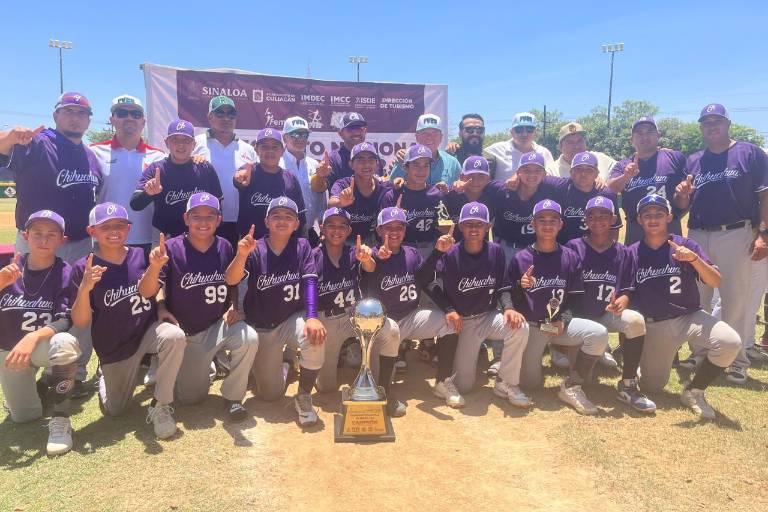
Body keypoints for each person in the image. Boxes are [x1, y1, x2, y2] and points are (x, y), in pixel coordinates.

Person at [138, 193, 259, 422]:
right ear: (186, 218)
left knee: (249, 338)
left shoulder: (224, 246)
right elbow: (147, 291)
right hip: (187, 334)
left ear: (218, 220)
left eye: (209, 216)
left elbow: (231, 281)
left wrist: (233, 304)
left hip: (216, 326)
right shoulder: (172, 248)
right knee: (191, 398)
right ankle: (203, 366)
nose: (203, 222)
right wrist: (154, 272)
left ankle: (233, 398)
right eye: (196, 216)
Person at [70, 203, 187, 438]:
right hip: (115, 347)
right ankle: (105, 374)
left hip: (146, 333)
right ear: (92, 231)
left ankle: (161, 405)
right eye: (106, 227)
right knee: (116, 411)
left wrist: (154, 271)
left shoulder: (139, 255)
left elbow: (148, 292)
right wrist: (84, 289)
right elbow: (81, 322)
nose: (114, 231)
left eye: (120, 226)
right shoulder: (84, 267)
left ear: (129, 228)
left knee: (174, 336)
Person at [673, 103, 768, 385]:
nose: (711, 126)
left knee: (734, 298)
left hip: (736, 231)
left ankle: (737, 360)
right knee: (697, 298)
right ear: (701, 127)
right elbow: (682, 204)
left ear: (728, 124)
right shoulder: (693, 160)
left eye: (717, 121)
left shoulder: (749, 153)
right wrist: (681, 196)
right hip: (698, 233)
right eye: (706, 122)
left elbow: (765, 197)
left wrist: (763, 232)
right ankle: (700, 352)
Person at [629, 194, 741, 419]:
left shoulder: (686, 244)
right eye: (647, 215)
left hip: (690, 317)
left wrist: (694, 260)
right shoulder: (631, 252)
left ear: (669, 217)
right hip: (656, 325)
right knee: (652, 388)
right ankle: (646, 365)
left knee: (730, 342)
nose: (653, 219)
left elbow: (715, 281)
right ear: (639, 220)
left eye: (659, 214)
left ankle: (694, 391)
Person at [224, 197, 326, 427]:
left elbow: (310, 282)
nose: (282, 221)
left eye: (288, 217)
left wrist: (311, 316)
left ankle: (303, 395)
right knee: (270, 395)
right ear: (267, 221)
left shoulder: (301, 246)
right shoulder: (253, 248)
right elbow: (231, 279)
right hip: (261, 326)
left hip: (289, 319)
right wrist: (241, 255)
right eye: (276, 216)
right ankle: (284, 364)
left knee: (316, 336)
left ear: (296, 222)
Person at [509, 199, 610, 415]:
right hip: (535, 327)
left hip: (558, 326)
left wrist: (563, 320)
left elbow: (575, 298)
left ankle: (571, 386)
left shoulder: (570, 257)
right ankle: (512, 364)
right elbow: (510, 298)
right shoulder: (521, 258)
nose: (547, 225)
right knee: (530, 384)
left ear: (561, 224)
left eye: (553, 220)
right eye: (542, 220)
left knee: (599, 334)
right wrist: (520, 285)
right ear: (533, 224)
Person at [431, 202, 531, 407]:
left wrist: (509, 307)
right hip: (463, 323)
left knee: (520, 327)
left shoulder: (495, 252)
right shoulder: (451, 254)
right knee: (464, 385)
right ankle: (467, 363)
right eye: (468, 224)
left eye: (479, 224)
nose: (474, 229)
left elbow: (503, 286)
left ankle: (506, 382)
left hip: (487, 316)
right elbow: (431, 284)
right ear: (460, 227)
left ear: (488, 227)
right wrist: (448, 310)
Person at [0, 210, 81, 455]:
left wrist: (32, 337)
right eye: (37, 233)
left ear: (62, 240)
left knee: (65, 342)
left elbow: (64, 320)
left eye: (51, 234)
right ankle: (44, 388)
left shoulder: (64, 272)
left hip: (41, 347)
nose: (43, 240)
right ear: (26, 236)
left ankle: (60, 418)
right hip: (9, 350)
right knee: (25, 416)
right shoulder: (6, 264)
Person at [565, 196, 655, 413]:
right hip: (579, 318)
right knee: (585, 380)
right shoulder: (573, 247)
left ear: (613, 218)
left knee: (635, 320)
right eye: (592, 216)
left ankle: (628, 384)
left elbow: (627, 288)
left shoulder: (623, 252)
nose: (598, 220)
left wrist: (623, 299)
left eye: (603, 215)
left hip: (606, 313)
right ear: (585, 219)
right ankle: (581, 363)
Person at [365, 206, 457, 413]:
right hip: (383, 325)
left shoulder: (411, 253)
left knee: (449, 323)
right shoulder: (372, 253)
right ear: (379, 231)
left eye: (400, 227)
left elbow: (424, 280)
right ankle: (383, 393)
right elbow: (368, 267)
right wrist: (377, 258)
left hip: (409, 316)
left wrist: (437, 252)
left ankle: (443, 383)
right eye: (388, 227)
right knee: (376, 380)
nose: (395, 231)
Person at [0, 92, 101, 263]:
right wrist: (9, 137)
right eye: (68, 111)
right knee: (31, 290)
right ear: (56, 116)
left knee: (80, 290)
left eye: (81, 113)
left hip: (82, 245)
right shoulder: (37, 143)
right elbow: (4, 147)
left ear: (88, 121)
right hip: (39, 243)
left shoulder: (91, 156)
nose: (75, 118)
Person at [311, 207, 401, 393]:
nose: (337, 230)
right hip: (326, 320)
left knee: (390, 329)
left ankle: (382, 385)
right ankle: (340, 355)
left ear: (349, 230)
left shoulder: (354, 253)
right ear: (322, 228)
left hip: (353, 317)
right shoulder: (312, 256)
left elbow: (370, 268)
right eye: (331, 225)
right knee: (325, 387)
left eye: (342, 226)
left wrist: (366, 258)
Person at [91, 95, 166, 254]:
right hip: (106, 240)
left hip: (146, 239)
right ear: (112, 119)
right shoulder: (94, 152)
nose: (129, 118)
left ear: (143, 122)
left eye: (136, 115)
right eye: (122, 113)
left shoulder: (159, 156)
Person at [131, 119, 223, 238]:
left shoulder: (204, 168)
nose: (181, 144)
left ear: (194, 144)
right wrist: (148, 193)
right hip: (165, 237)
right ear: (167, 143)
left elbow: (218, 203)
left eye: (186, 140)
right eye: (175, 140)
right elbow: (135, 204)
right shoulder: (156, 169)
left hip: (200, 237)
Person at [607, 116, 687, 244]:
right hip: (636, 229)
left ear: (658, 135)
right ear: (631, 140)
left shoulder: (675, 157)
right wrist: (626, 176)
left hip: (669, 226)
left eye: (649, 131)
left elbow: (685, 193)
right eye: (639, 133)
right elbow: (610, 189)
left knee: (673, 264)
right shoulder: (623, 165)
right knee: (636, 263)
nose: (644, 137)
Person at [193, 95, 258, 247]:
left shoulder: (247, 149)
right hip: (205, 220)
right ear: (210, 117)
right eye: (220, 113)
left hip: (239, 221)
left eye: (231, 114)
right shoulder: (195, 143)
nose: (226, 118)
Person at [233, 128, 306, 241]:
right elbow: (239, 181)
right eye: (264, 147)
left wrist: (303, 242)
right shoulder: (249, 172)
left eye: (275, 147)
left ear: (282, 151)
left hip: (283, 246)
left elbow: (300, 215)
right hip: (251, 246)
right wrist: (239, 179)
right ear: (256, 149)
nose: (270, 151)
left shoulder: (290, 178)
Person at [380, 144, 447, 258]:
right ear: (405, 167)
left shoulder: (437, 195)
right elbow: (381, 232)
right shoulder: (393, 195)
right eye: (416, 165)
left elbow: (445, 227)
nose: (421, 170)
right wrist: (394, 218)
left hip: (429, 249)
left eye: (426, 165)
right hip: (400, 251)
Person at [549, 151, 622, 244]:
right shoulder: (560, 187)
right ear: (571, 172)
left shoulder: (607, 195)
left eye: (589, 170)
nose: (583, 174)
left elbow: (614, 229)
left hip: (594, 251)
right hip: (565, 251)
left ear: (596, 174)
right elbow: (541, 175)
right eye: (578, 169)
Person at [328, 142, 392, 244]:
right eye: (360, 160)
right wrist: (340, 203)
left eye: (371, 160)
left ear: (377, 164)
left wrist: (400, 180)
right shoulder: (343, 184)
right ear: (351, 164)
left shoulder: (385, 186)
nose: (366, 164)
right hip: (344, 241)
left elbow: (403, 185)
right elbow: (331, 203)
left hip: (372, 242)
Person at [280, 116, 329, 245]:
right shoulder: (276, 163)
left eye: (304, 134)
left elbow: (320, 201)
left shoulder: (314, 165)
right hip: (279, 233)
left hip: (308, 233)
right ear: (284, 137)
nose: (300, 139)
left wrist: (323, 230)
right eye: (295, 134)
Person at [388, 114, 461, 186]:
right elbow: (392, 187)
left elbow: (459, 191)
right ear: (417, 136)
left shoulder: (453, 163)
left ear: (441, 137)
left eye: (434, 133)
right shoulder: (404, 158)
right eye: (424, 133)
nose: (429, 137)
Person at [483, 112, 555, 182]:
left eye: (529, 130)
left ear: (535, 132)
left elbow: (551, 179)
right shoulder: (496, 150)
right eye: (519, 130)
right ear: (512, 132)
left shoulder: (544, 153)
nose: (524, 134)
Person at [321, 112, 384, 189]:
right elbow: (321, 188)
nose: (356, 132)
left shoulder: (374, 155)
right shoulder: (333, 159)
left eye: (359, 128)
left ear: (365, 131)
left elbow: (381, 185)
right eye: (350, 129)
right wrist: (319, 177)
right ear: (341, 133)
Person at [548, 122, 616, 181]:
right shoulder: (551, 172)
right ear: (560, 147)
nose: (576, 146)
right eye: (570, 142)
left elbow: (622, 171)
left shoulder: (602, 159)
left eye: (580, 141)